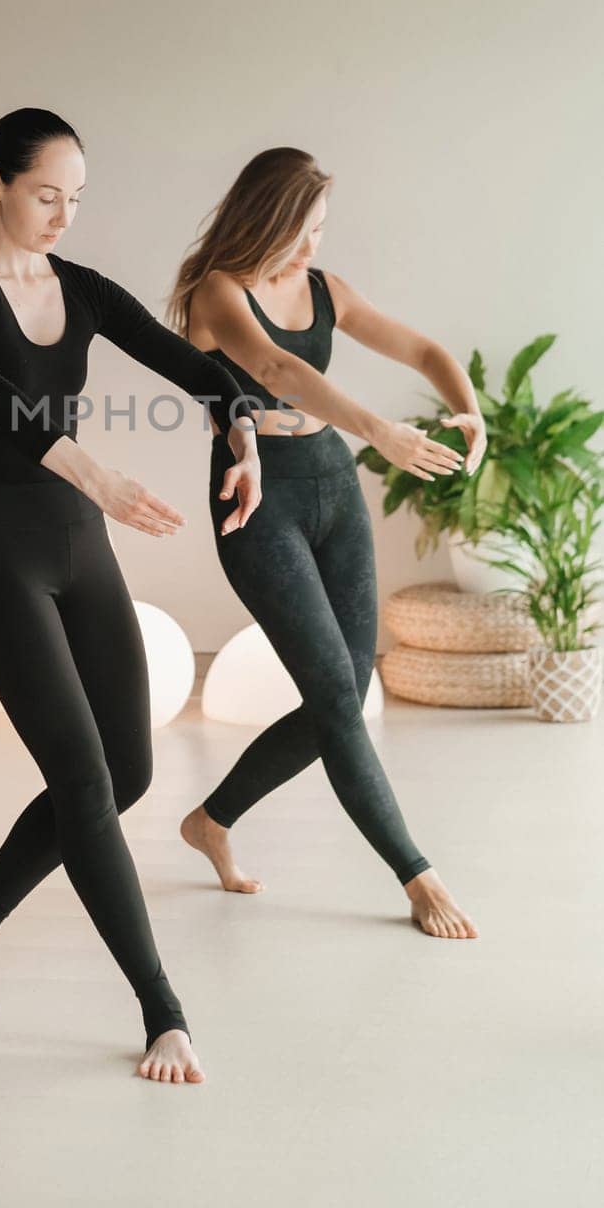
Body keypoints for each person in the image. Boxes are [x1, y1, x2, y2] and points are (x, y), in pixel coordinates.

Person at [0, 108, 260, 1082]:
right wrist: (100, 477)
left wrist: (236, 429)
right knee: (81, 781)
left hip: (78, 546)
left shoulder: (79, 288)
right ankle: (163, 1012)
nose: (62, 215)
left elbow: (189, 364)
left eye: (74, 199)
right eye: (44, 194)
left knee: (127, 772)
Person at [172, 147, 481, 941]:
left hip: (333, 488)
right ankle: (417, 873)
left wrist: (467, 408)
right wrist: (379, 428)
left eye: (319, 232)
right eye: (300, 231)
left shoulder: (323, 288)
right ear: (264, 219)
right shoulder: (217, 291)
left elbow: (420, 350)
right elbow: (273, 365)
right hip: (257, 500)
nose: (311, 249)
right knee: (339, 701)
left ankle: (211, 820)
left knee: (343, 689)